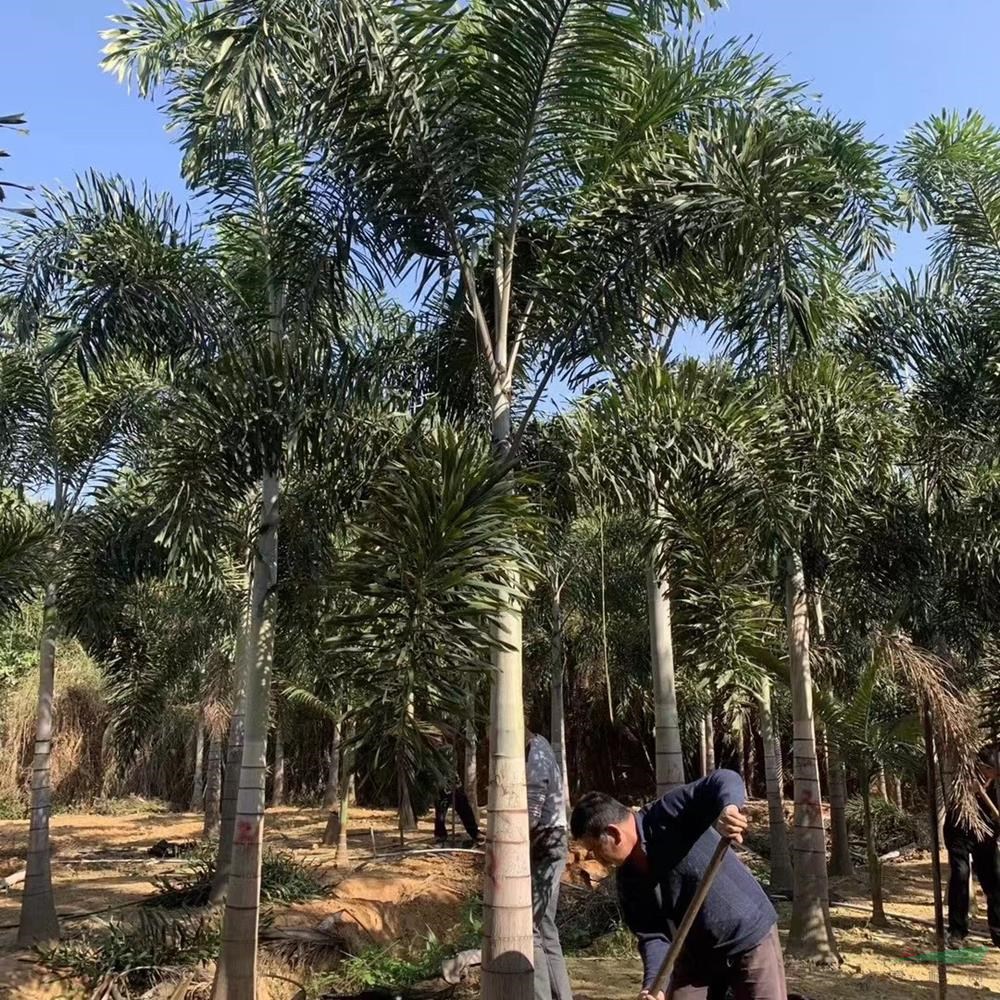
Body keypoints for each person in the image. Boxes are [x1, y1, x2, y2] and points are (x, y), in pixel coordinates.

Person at [571, 771, 785, 1000]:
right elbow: (653, 935)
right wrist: (654, 986)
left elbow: (724, 779)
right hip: (696, 956)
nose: (595, 857)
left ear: (614, 834)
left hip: (749, 938)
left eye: (594, 849)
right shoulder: (629, 881)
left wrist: (729, 808)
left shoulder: (667, 815)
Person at [526, 730, 573, 1000]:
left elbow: (531, 814)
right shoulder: (536, 748)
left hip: (547, 842)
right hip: (546, 842)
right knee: (544, 926)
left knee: (531, 926)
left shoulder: (536, 753)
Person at [945, 754, 1000, 949]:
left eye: (993, 774)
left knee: (994, 879)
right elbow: (953, 800)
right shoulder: (963, 779)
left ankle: (998, 931)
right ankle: (957, 932)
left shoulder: (994, 786)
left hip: (986, 834)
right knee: (960, 874)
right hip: (959, 831)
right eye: (988, 772)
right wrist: (970, 791)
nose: (990, 777)